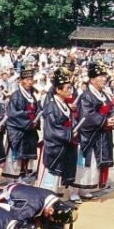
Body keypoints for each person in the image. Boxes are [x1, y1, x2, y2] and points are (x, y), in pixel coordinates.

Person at [75, 61, 114, 196]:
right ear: (92, 79)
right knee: (85, 162)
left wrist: (113, 120)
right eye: (101, 76)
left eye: (105, 76)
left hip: (102, 134)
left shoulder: (104, 95)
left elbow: (112, 109)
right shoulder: (86, 96)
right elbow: (87, 115)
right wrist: (104, 121)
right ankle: (76, 189)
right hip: (89, 135)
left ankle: (87, 187)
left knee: (95, 162)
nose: (104, 79)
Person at [38, 67, 80, 200]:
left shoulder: (64, 105)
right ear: (58, 90)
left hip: (64, 147)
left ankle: (56, 202)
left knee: (59, 180)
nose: (70, 91)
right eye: (67, 88)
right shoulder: (51, 107)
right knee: (50, 182)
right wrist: (69, 134)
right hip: (54, 148)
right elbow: (51, 131)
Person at [4, 67, 40, 181]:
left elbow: (38, 109)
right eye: (27, 79)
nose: (29, 82)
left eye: (31, 79)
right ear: (21, 80)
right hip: (18, 131)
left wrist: (36, 120)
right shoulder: (16, 96)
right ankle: (14, 179)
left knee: (26, 156)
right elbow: (13, 114)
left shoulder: (32, 95)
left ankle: (23, 175)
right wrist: (29, 122)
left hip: (29, 131)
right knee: (16, 157)